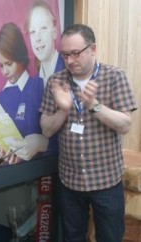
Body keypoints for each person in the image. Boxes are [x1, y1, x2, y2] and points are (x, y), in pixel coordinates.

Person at [40, 23, 137, 242]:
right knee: (72, 237)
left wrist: (95, 105)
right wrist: (63, 110)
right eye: (65, 55)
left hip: (106, 182)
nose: (70, 60)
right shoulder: (56, 82)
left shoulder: (114, 77)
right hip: (70, 183)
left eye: (76, 53)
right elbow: (46, 129)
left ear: (93, 49)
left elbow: (125, 125)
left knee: (110, 237)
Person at [0, 22, 48, 165]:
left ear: (20, 58)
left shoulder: (39, 86)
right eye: (1, 65)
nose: (5, 71)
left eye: (9, 64)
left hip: (36, 175)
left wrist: (41, 143)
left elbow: (55, 138)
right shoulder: (0, 98)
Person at [25, 0, 64, 155]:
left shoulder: (69, 71)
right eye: (32, 31)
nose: (37, 38)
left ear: (55, 32)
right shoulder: (33, 84)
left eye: (43, 28)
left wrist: (44, 143)